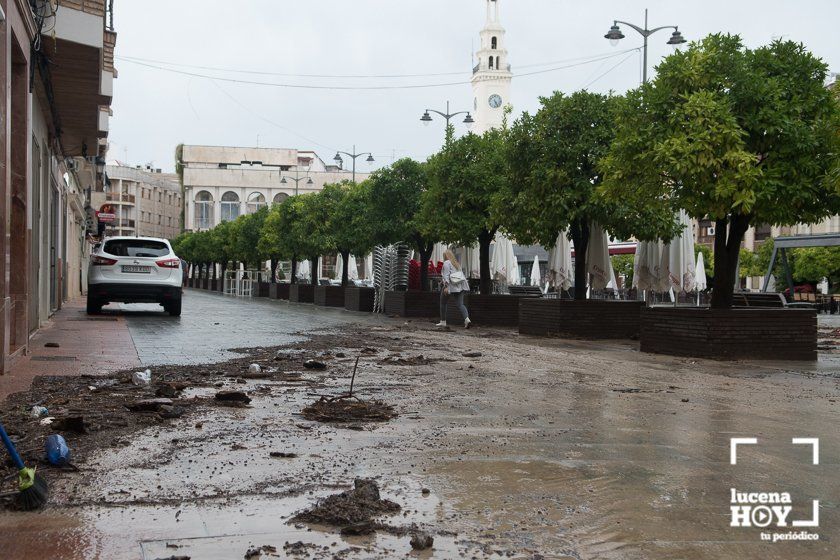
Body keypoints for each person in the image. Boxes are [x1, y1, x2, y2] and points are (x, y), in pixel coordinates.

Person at [437, 249, 471, 329]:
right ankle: (467, 319)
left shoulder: (446, 263)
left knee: (443, 303)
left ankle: (443, 321)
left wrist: (445, 286)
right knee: (460, 304)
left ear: (445, 256)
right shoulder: (456, 263)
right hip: (460, 286)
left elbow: (446, 275)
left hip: (450, 286)